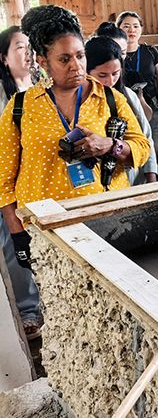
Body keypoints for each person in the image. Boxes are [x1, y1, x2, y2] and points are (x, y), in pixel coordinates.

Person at [0, 6, 149, 337]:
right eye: (64, 59)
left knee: (112, 309)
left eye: (80, 56)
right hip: (47, 227)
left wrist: (110, 146)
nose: (76, 66)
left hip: (106, 220)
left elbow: (141, 147)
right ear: (43, 61)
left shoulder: (109, 99)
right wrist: (17, 232)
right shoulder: (21, 107)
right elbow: (3, 179)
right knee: (65, 310)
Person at [0, 25, 41, 340]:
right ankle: (28, 311)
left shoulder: (44, 89)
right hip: (8, 184)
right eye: (19, 47)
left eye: (30, 46)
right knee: (15, 247)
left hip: (41, 181)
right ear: (3, 57)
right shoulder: (4, 96)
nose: (27, 53)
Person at [85, 35, 158, 184]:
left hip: (128, 175)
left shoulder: (126, 96)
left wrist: (151, 174)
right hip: (90, 179)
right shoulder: (79, 101)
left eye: (115, 74)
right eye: (102, 75)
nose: (110, 81)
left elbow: (145, 137)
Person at [117, 11, 158, 180]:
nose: (131, 30)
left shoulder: (151, 52)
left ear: (141, 29)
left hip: (152, 108)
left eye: (135, 26)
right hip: (124, 110)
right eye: (126, 26)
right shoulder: (115, 54)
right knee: (131, 149)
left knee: (153, 147)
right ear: (118, 29)